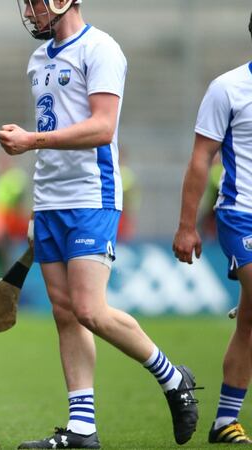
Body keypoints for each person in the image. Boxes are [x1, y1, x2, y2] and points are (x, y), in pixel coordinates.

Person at [0, 1, 198, 448]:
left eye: (34, 1)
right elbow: (54, 129)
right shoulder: (38, 59)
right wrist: (37, 203)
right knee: (67, 316)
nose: (29, 10)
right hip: (50, 202)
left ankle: (172, 377)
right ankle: (82, 429)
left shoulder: (101, 48)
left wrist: (31, 141)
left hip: (92, 196)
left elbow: (103, 127)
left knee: (90, 309)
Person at [173, 11, 252, 444]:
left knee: (250, 322)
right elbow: (201, 158)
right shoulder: (228, 88)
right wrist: (187, 226)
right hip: (242, 213)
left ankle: (225, 421)